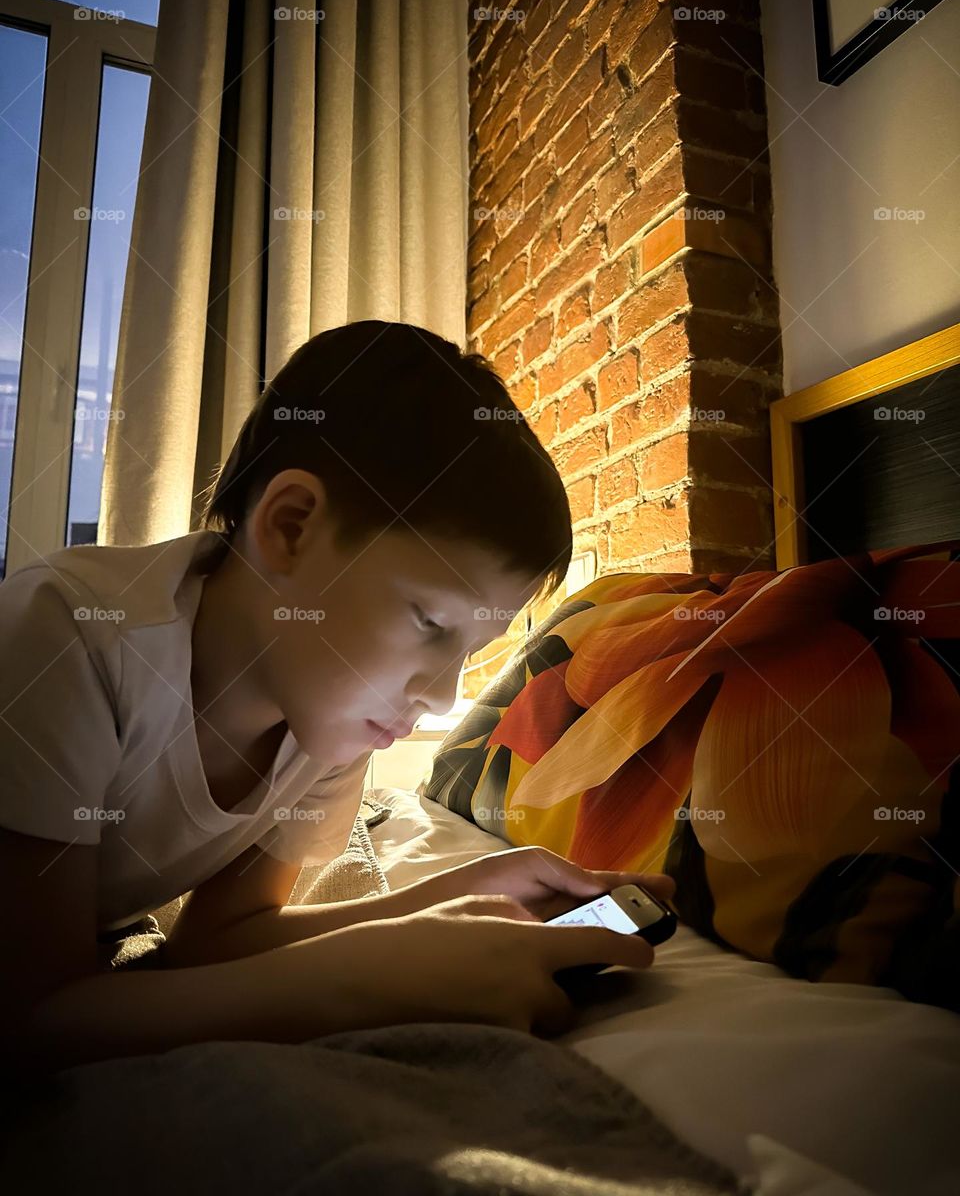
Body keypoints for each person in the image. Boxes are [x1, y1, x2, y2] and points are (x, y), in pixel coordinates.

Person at [0, 319, 673, 1075]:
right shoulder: (71, 635)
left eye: (472, 651)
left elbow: (220, 941)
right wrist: (364, 982)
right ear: (290, 528)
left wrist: (461, 893)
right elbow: (31, 1016)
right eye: (431, 622)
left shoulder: (326, 722)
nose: (441, 698)